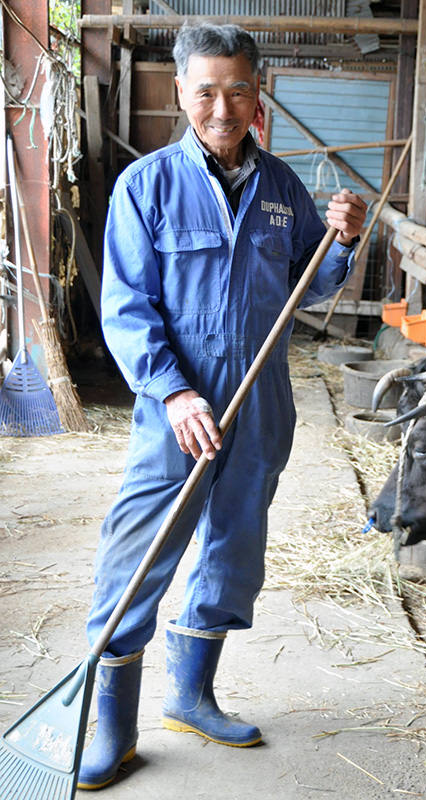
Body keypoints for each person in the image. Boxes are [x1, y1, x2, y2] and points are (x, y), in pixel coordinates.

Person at [77, 22, 367, 791]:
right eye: (205, 90)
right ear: (181, 92)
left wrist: (341, 241)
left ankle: (191, 696)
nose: (222, 107)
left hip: (261, 397)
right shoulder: (148, 186)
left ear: (257, 90)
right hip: (179, 405)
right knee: (139, 552)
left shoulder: (281, 188)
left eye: (238, 89)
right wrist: (171, 391)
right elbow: (127, 308)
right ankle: (111, 725)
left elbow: (316, 282)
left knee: (235, 546)